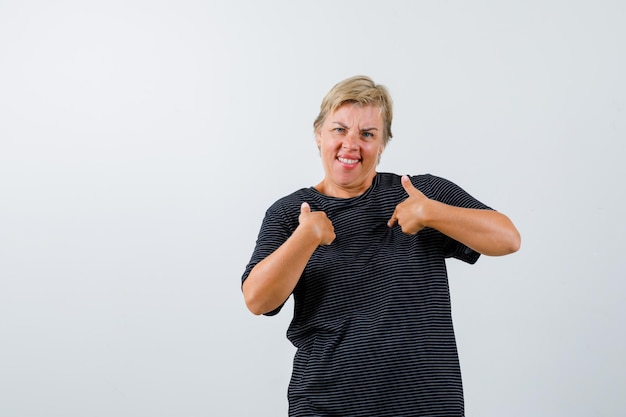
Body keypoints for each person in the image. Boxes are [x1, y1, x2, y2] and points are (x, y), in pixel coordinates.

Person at [241, 75, 521, 416]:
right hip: (326, 405)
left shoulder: (419, 194)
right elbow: (257, 300)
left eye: (367, 134)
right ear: (319, 134)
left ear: (383, 144)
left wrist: (433, 213)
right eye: (340, 130)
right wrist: (306, 237)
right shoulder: (289, 214)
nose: (351, 144)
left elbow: (507, 238)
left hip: (426, 406)